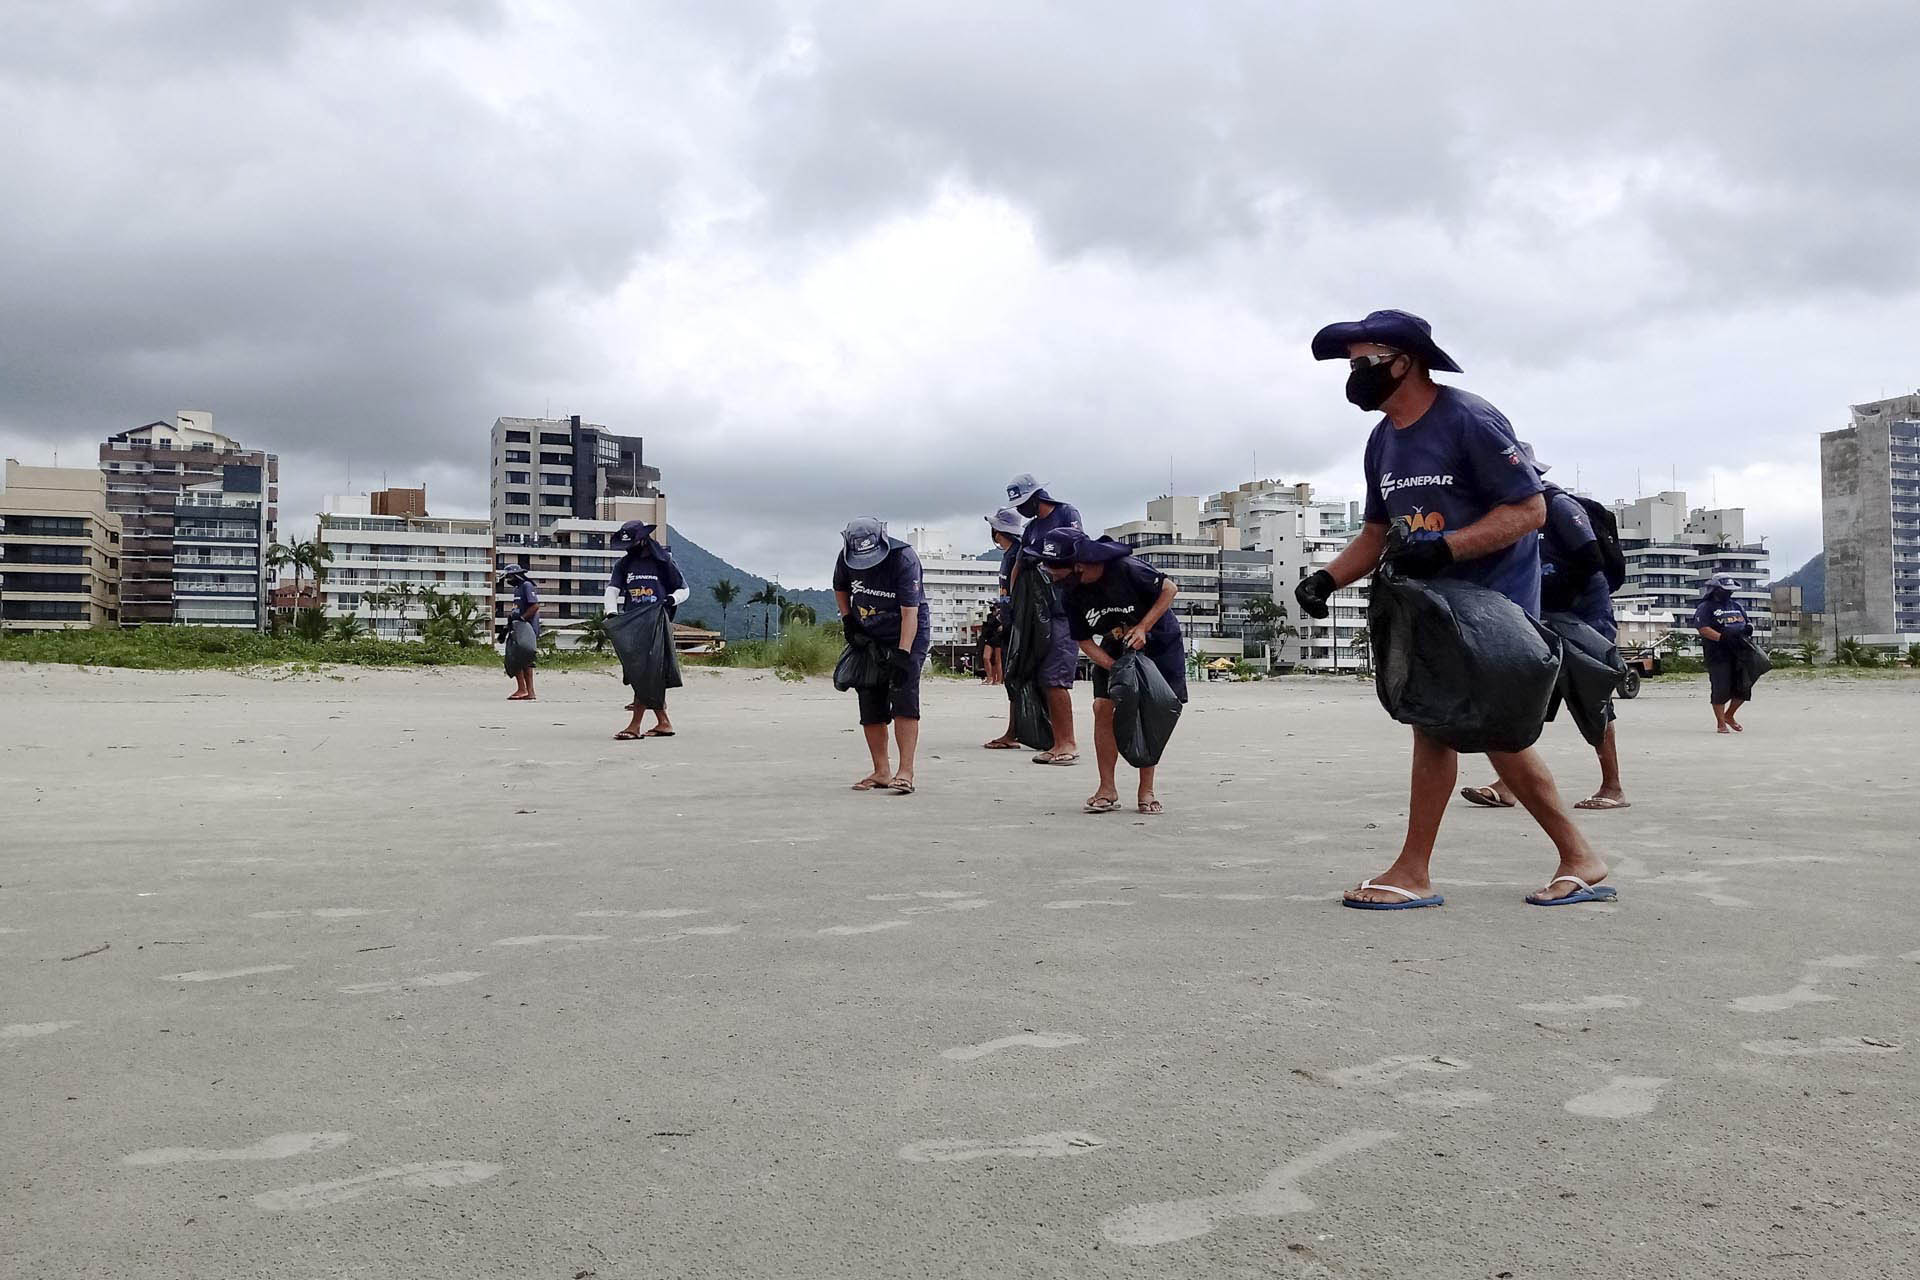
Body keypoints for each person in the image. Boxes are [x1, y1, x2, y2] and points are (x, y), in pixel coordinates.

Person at [1299, 308, 1613, 909]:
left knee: (1471, 730)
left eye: (1363, 361)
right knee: (1446, 728)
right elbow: (1375, 530)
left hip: (1492, 610)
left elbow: (1529, 510)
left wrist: (1445, 546)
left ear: (1403, 360)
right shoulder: (1383, 438)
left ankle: (1423, 870)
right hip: (1430, 610)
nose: (1354, 374)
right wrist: (1326, 579)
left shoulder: (1467, 417)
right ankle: (1568, 858)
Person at [1461, 479, 1629, 810]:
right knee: (1524, 698)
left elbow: (1590, 560)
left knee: (1591, 699)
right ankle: (1508, 784)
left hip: (1583, 615)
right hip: (1540, 614)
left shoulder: (1559, 506)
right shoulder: (1503, 511)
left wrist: (1556, 603)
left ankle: (1613, 786)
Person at [1037, 528, 1185, 815]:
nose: (1054, 580)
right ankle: (1107, 788)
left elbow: (1170, 589)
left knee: (1148, 710)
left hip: (1158, 641)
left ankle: (1146, 789)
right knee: (1102, 706)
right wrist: (1114, 667)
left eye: (1057, 573)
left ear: (1077, 566)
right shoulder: (1070, 594)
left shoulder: (1126, 569)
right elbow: (1082, 640)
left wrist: (1144, 627)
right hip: (1115, 645)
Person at [833, 517, 929, 794]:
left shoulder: (904, 559)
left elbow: (910, 612)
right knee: (869, 696)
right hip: (868, 632)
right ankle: (881, 770)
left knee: (904, 694)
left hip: (907, 631)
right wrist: (848, 620)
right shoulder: (845, 558)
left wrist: (903, 653)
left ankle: (905, 771)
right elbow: (840, 587)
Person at [1004, 475, 1083, 765]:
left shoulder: (1066, 514)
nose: (1022, 509)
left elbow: (1074, 550)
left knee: (1055, 676)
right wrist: (1012, 602)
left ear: (1038, 497)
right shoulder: (1031, 528)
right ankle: (1054, 740)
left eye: (1025, 503)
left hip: (1063, 609)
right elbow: (1019, 564)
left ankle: (1068, 743)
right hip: (1038, 612)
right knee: (1038, 675)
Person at [603, 521, 686, 740]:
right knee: (642, 672)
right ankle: (663, 722)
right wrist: (611, 612)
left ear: (642, 539)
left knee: (646, 671)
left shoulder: (663, 562)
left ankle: (635, 725)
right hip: (632, 622)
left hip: (657, 621)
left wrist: (671, 599)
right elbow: (612, 590)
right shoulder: (624, 564)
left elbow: (683, 589)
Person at [981, 507, 1027, 749]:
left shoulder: (1017, 555)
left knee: (1016, 677)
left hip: (1016, 624)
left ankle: (1015, 732)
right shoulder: (1010, 555)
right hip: (1008, 623)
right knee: (1012, 678)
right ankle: (1015, 730)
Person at [1693, 574, 1755, 734]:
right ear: (1715, 590)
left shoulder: (1737, 606)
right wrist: (1722, 638)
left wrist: (1748, 629)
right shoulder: (1705, 607)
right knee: (1721, 688)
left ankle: (1730, 715)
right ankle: (1721, 723)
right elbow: (1703, 628)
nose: (1728, 593)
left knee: (1744, 687)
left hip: (1740, 652)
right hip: (1718, 655)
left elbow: (1746, 623)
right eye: (1724, 590)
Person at [501, 563, 539, 702]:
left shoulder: (526, 586)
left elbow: (534, 606)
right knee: (525, 661)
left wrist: (522, 619)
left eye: (509, 577)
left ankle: (523, 689)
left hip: (526, 629)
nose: (508, 581)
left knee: (516, 658)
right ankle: (529, 692)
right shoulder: (517, 589)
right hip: (518, 627)